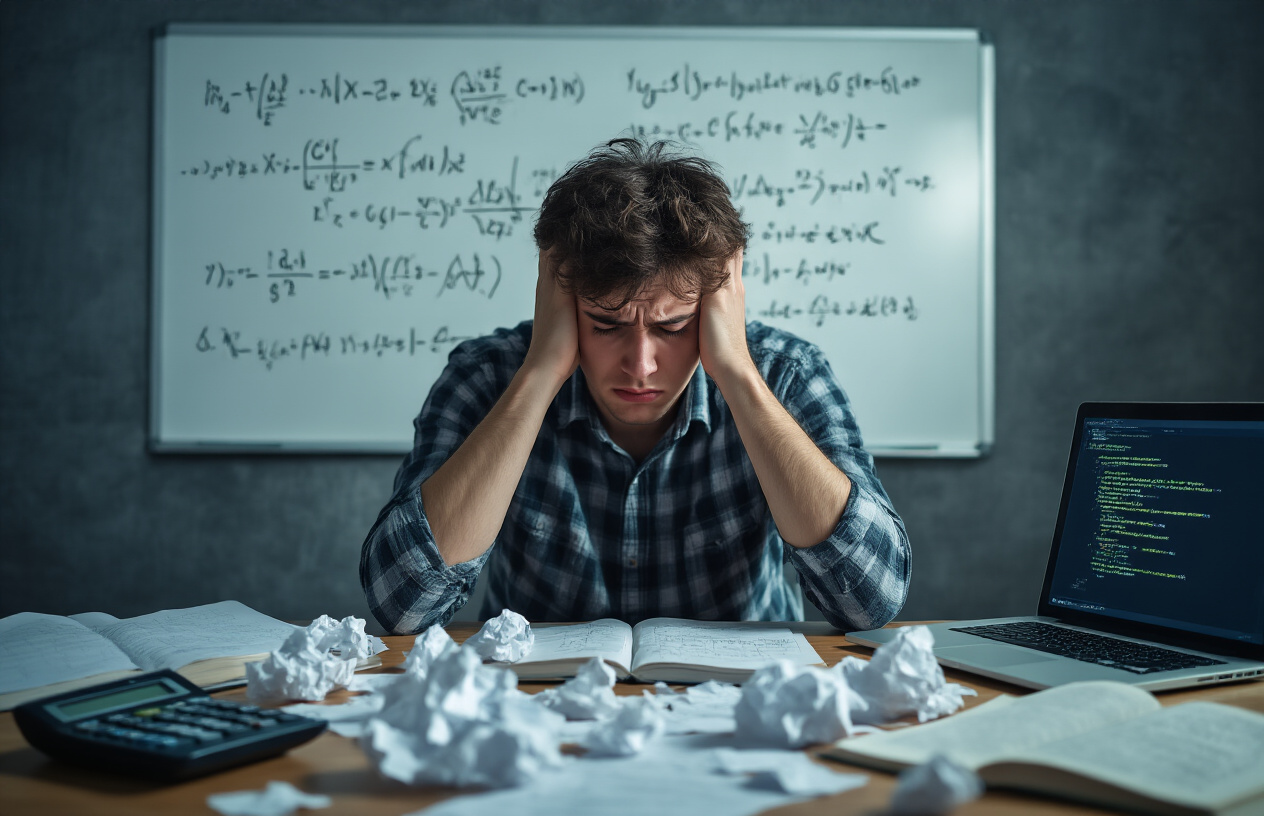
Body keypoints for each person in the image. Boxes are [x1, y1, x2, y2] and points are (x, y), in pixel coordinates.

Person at [360, 138, 909, 634]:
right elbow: (401, 605)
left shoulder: (786, 373)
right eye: (606, 325)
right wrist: (540, 372)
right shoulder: (485, 376)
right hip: (536, 713)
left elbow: (869, 603)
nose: (641, 365)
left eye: (673, 327)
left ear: (719, 305)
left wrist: (738, 374)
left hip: (740, 710)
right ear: (562, 302)